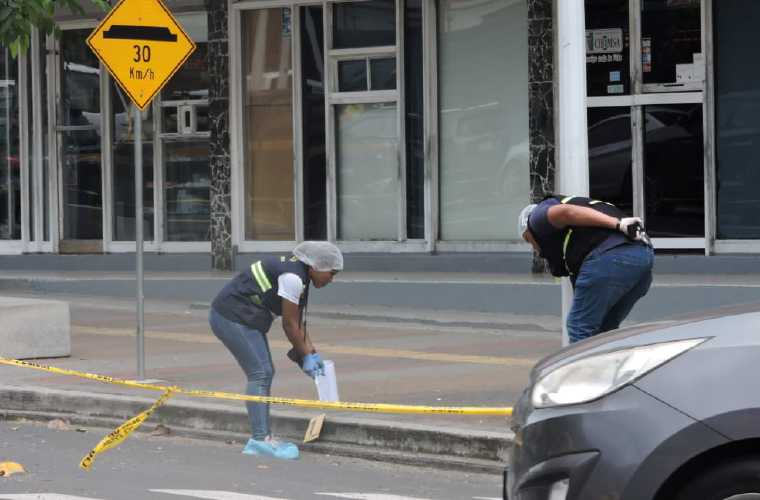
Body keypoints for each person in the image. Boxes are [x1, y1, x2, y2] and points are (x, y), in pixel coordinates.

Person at [209, 241, 343, 460]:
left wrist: (311, 353)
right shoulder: (293, 278)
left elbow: (298, 323)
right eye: (332, 273)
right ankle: (260, 441)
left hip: (244, 318)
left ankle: (262, 438)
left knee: (263, 372)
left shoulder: (299, 273)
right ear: (317, 266)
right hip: (231, 317)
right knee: (261, 373)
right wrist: (305, 355)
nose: (332, 279)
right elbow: (289, 324)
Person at [518, 195, 654, 343]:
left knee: (579, 326)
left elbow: (566, 212)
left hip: (611, 257)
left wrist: (618, 224)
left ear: (528, 230)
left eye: (528, 240)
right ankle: (605, 365)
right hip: (642, 258)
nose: (534, 249)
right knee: (604, 329)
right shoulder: (573, 240)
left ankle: (581, 367)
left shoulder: (537, 218)